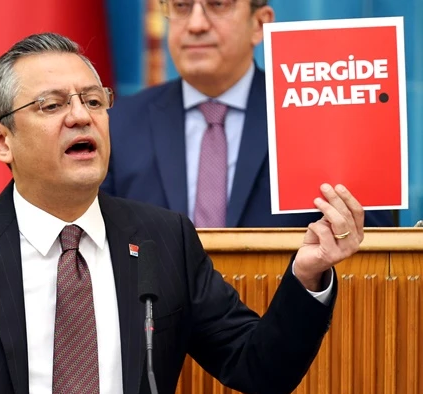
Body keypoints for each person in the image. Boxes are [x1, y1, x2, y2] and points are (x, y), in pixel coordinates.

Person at [0, 33, 364, 394]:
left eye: (93, 101)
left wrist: (308, 275)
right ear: (0, 141)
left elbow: (260, 369)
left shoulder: (163, 238)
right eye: (52, 105)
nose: (80, 116)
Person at [100, 0, 393, 228]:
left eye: (218, 4)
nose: (196, 24)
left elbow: (377, 249)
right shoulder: (119, 124)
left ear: (259, 23)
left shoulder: (320, 117)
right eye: (181, 6)